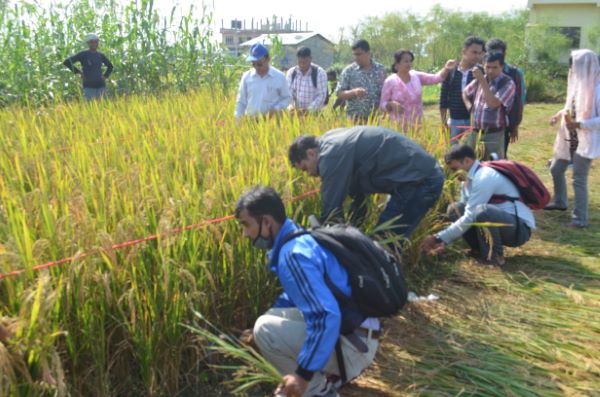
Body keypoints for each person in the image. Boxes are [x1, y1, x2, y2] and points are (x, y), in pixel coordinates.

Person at [236, 186, 379, 397]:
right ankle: (323, 377)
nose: (245, 234)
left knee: (265, 330)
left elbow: (326, 315)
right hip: (360, 333)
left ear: (266, 222)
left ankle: (319, 391)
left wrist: (302, 375)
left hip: (354, 347)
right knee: (268, 320)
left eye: (246, 225)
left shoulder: (292, 255)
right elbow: (296, 296)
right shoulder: (299, 239)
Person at [288, 126, 445, 239]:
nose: (309, 174)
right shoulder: (330, 140)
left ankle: (387, 284)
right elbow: (358, 196)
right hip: (417, 177)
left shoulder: (330, 155)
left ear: (311, 152)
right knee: (384, 241)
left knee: (384, 242)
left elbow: (331, 210)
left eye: (305, 168)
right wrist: (355, 227)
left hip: (420, 181)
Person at [421, 144, 536, 266]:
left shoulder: (484, 177)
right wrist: (443, 242)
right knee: (455, 209)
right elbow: (464, 214)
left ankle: (495, 256)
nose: (453, 174)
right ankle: (479, 249)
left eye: (454, 169)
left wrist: (438, 238)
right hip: (503, 224)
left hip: (518, 230)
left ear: (467, 161)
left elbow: (470, 216)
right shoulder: (467, 180)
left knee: (482, 211)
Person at [545, 49, 600, 228]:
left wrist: (580, 125)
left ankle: (580, 219)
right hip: (571, 138)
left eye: (574, 67)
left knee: (579, 178)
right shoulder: (580, 85)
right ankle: (560, 201)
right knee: (555, 168)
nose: (572, 71)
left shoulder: (598, 88)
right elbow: (570, 107)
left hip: (586, 139)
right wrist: (559, 114)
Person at [380, 49, 456, 132]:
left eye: (410, 61)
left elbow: (435, 78)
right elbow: (382, 104)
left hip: (417, 124)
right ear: (397, 64)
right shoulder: (390, 81)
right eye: (406, 61)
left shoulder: (416, 76)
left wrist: (446, 68)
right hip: (398, 126)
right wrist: (391, 104)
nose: (409, 64)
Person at [463, 51, 516, 160]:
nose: (491, 71)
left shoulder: (507, 83)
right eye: (488, 67)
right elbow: (465, 92)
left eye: (495, 67)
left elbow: (493, 104)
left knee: (494, 166)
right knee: (472, 164)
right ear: (483, 66)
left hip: (494, 134)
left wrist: (482, 81)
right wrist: (469, 106)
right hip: (475, 132)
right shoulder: (482, 79)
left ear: (501, 67)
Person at [440, 36, 486, 144]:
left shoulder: (482, 72)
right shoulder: (451, 71)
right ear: (464, 51)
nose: (477, 56)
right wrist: (443, 122)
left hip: (474, 121)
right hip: (454, 120)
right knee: (453, 153)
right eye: (474, 52)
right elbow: (443, 98)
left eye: (479, 53)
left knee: (472, 153)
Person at [486, 39, 526, 157]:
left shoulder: (515, 73)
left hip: (504, 124)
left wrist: (515, 125)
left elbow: (519, 101)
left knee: (499, 157)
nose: (495, 56)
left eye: (499, 53)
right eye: (491, 53)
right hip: (482, 124)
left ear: (504, 54)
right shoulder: (481, 71)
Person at [234, 43, 291, 119]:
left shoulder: (279, 77)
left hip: (272, 122)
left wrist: (276, 109)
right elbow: (241, 102)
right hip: (251, 122)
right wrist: (238, 121)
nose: (257, 67)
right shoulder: (247, 77)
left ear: (268, 59)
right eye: (253, 64)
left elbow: (287, 98)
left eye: (259, 64)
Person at [335, 40, 387, 123]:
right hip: (354, 119)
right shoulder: (349, 71)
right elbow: (339, 93)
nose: (356, 57)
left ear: (368, 53)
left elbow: (386, 93)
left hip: (376, 119)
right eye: (354, 54)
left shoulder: (380, 70)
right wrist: (353, 92)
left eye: (359, 54)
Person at [63, 33, 113, 101]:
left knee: (103, 108)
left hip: (101, 86)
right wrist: (78, 72)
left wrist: (105, 76)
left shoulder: (100, 55)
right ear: (88, 43)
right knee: (90, 108)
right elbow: (67, 62)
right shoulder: (83, 54)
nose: (94, 44)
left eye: (96, 42)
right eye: (91, 42)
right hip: (89, 87)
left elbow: (110, 66)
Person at [287, 47, 328, 114]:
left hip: (314, 113)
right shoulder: (291, 73)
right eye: (300, 62)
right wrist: (291, 106)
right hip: (295, 113)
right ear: (297, 60)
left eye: (305, 62)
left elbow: (322, 96)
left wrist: (307, 111)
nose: (302, 65)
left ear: (310, 59)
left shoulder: (319, 73)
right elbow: (288, 94)